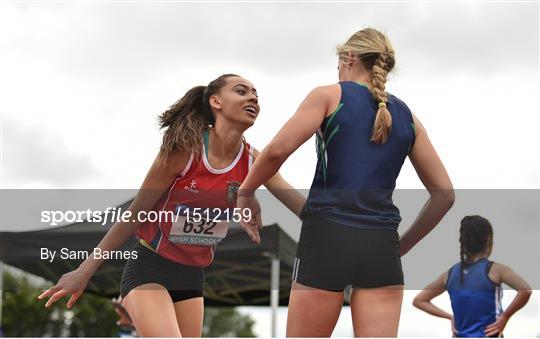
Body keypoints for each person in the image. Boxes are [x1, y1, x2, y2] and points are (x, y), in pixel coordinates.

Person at [37, 74, 305, 337]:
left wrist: (336, 222)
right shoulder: (184, 150)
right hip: (149, 268)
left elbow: (299, 204)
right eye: (241, 91)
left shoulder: (253, 161)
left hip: (192, 276)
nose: (253, 98)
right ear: (216, 101)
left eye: (256, 94)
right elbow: (135, 214)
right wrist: (84, 270)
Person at [237, 28, 455, 337]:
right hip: (381, 246)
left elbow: (276, 151)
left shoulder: (328, 95)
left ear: (348, 58)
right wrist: (400, 247)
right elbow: (444, 195)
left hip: (325, 240)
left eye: (338, 64)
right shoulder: (407, 117)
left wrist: (245, 193)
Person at [413, 215, 532, 337]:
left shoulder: (449, 274)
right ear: (488, 240)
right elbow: (525, 290)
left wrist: (450, 317)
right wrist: (505, 316)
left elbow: (419, 300)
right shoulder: (495, 270)